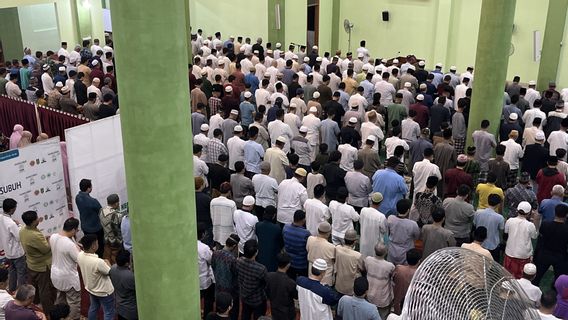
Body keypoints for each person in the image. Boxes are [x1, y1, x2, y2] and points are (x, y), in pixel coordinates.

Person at [19, 210, 56, 316]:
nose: (38, 219)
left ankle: (35, 302)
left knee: (34, 286)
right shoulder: (35, 235)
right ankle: (49, 312)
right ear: (33, 221)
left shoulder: (22, 230)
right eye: (36, 218)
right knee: (45, 289)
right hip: (42, 266)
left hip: (31, 263)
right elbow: (46, 249)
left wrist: (43, 240)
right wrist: (48, 241)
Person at [49, 218, 81, 320]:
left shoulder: (53, 237)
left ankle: (57, 317)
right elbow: (79, 259)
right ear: (73, 230)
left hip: (55, 275)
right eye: (76, 230)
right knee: (73, 302)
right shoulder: (70, 244)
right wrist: (78, 249)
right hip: (68, 277)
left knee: (60, 299)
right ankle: (73, 318)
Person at [77, 234, 115, 320]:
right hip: (104, 291)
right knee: (108, 312)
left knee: (93, 308)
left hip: (91, 289)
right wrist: (108, 263)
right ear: (93, 246)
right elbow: (109, 272)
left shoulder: (80, 255)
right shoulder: (98, 262)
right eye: (97, 243)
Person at [533, 205, 568, 285]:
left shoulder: (545, 224)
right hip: (560, 256)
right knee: (559, 280)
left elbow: (540, 241)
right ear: (566, 215)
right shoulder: (566, 229)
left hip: (544, 254)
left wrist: (536, 255)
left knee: (536, 278)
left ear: (555, 212)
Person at [504, 201, 539, 279]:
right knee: (521, 278)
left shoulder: (510, 221)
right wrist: (536, 221)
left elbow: (506, 231)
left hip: (510, 252)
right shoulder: (530, 225)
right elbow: (534, 236)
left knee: (507, 276)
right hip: (523, 255)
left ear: (517, 210)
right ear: (529, 213)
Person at [0, 198, 27, 292]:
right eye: (15, 208)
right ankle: (21, 293)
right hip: (17, 253)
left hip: (8, 252)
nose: (15, 209)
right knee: (21, 273)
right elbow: (19, 237)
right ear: (12, 209)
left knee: (12, 272)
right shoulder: (11, 223)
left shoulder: (1, 217)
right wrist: (19, 225)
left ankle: (11, 290)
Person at [211, 234, 240, 320]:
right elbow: (235, 274)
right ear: (234, 246)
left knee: (219, 309)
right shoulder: (232, 259)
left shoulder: (215, 253)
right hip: (230, 291)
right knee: (232, 312)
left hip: (218, 287)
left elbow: (213, 266)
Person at [236, 240, 267, 320]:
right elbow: (265, 283)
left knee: (245, 315)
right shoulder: (261, 268)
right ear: (256, 252)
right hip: (257, 300)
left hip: (244, 297)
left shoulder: (238, 261)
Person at [364, 243, 394, 319]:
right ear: (386, 252)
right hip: (382, 298)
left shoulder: (368, 260)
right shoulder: (389, 266)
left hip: (369, 295)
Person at [75, 178, 104, 257]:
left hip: (85, 227)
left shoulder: (77, 198)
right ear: (88, 188)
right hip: (96, 229)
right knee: (99, 247)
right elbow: (100, 210)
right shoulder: (93, 201)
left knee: (88, 245)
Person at [387, 199, 420, 265]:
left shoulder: (390, 218)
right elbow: (417, 236)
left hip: (392, 249)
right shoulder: (412, 224)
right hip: (406, 251)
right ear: (408, 210)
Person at [265, 253, 297, 320]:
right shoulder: (290, 283)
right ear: (288, 265)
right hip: (287, 314)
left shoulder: (269, 276)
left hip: (274, 310)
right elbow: (296, 296)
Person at [473, 194, 505, 261]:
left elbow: (474, 224)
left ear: (488, 201)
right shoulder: (500, 217)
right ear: (498, 204)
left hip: (479, 243)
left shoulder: (478, 212)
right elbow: (501, 231)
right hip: (493, 245)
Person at [109, 251, 138, 320]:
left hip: (119, 307)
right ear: (126, 263)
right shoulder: (129, 276)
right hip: (130, 310)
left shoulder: (112, 268)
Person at [282, 210, 311, 278]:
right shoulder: (306, 233)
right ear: (303, 220)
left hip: (289, 262)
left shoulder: (286, 228)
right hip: (301, 264)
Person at [392, 249, 422, 315]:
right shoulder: (421, 274)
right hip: (413, 304)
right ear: (419, 261)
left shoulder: (399, 269)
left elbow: (393, 279)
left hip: (398, 301)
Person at [334, 229, 363, 296]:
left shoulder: (337, 248)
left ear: (344, 239)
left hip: (339, 285)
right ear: (355, 241)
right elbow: (362, 268)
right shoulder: (357, 255)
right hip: (351, 288)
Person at [306, 222, 336, 286]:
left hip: (311, 273)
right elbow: (334, 260)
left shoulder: (310, 239)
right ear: (328, 233)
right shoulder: (331, 247)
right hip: (325, 277)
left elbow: (307, 250)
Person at [359, 192, 387, 258]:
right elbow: (384, 230)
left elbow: (361, 221)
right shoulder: (381, 216)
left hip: (364, 241)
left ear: (371, 200)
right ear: (381, 202)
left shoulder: (363, 210)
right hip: (375, 244)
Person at [197, 223, 215, 319]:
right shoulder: (204, 248)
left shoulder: (187, 245)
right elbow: (211, 260)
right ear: (203, 234)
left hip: (194, 279)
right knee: (208, 301)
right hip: (205, 279)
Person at [99, 194, 123, 265]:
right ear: (116, 203)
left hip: (106, 238)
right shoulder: (115, 215)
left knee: (107, 256)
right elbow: (119, 226)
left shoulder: (101, 210)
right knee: (115, 258)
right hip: (115, 241)